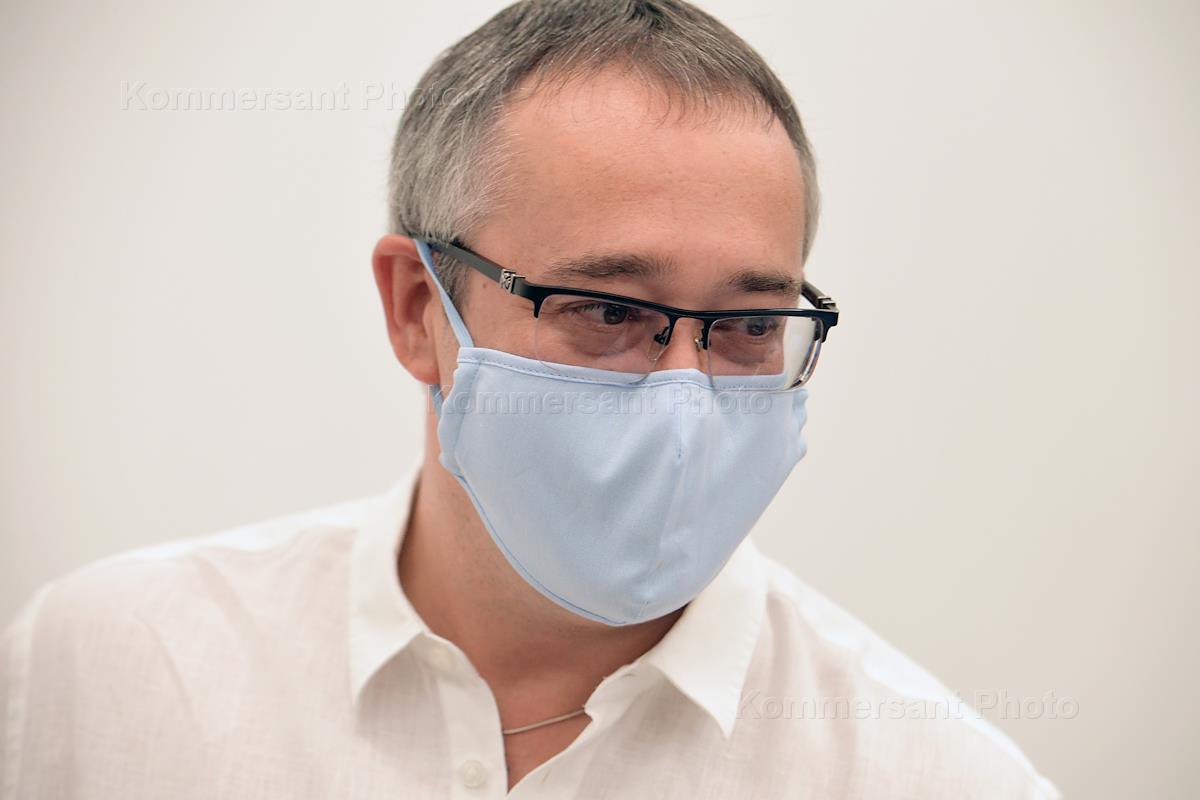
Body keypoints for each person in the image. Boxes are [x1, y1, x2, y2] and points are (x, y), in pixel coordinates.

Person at [1, 1, 1061, 797]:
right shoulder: (109, 669)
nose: (684, 402)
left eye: (746, 326)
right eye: (607, 310)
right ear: (419, 308)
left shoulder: (934, 775)